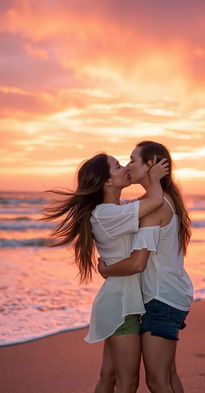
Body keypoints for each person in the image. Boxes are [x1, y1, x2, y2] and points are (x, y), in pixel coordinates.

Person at [42, 152, 169, 393]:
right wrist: (154, 178)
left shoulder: (116, 209)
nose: (124, 168)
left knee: (108, 377)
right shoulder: (107, 214)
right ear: (107, 181)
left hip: (119, 301)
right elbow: (155, 201)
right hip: (122, 307)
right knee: (127, 382)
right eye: (118, 166)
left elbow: (147, 202)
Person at [98, 141, 193, 393]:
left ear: (150, 165)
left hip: (160, 299)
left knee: (157, 381)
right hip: (172, 295)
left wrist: (107, 270)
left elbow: (139, 262)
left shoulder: (155, 207)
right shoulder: (163, 199)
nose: (128, 166)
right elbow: (126, 208)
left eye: (132, 160)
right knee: (169, 376)